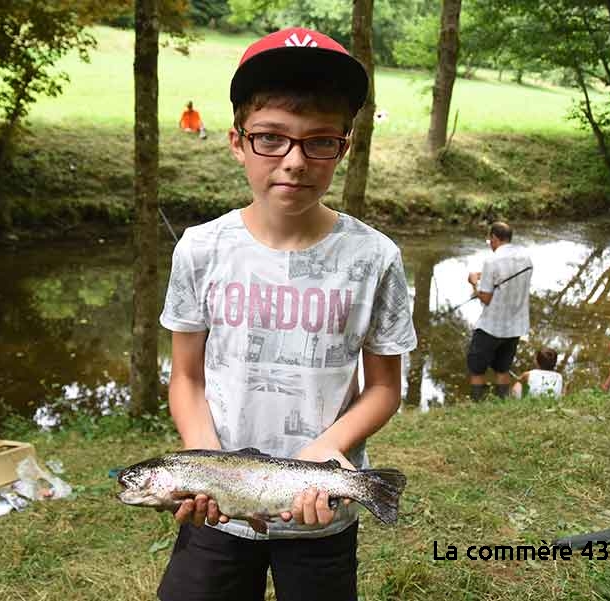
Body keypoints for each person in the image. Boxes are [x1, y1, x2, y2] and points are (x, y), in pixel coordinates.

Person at [157, 27, 418, 601]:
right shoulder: (200, 249)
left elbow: (383, 388)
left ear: (344, 147)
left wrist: (330, 450)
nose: (295, 162)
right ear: (236, 141)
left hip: (320, 505)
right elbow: (187, 375)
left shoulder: (374, 258)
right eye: (271, 138)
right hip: (218, 508)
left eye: (319, 142)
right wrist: (205, 466)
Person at [466, 221, 533, 400]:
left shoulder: (492, 260)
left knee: (476, 369)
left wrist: (474, 283)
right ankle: (502, 402)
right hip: (515, 327)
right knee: (502, 369)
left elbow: (486, 298)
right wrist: (483, 275)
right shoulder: (526, 258)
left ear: (494, 238)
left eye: (490, 240)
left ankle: (477, 405)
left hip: (491, 327)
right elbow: (507, 279)